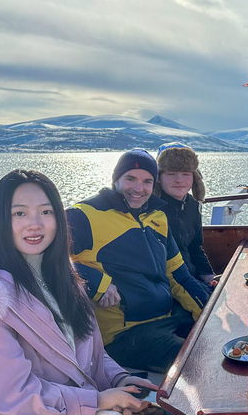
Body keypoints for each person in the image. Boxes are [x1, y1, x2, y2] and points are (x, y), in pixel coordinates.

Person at [0, 169, 157, 414]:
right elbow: (8, 399)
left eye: (46, 212)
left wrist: (119, 380)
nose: (35, 224)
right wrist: (97, 402)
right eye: (19, 213)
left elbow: (86, 357)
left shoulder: (63, 277)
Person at [68, 149, 210, 373]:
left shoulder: (157, 217)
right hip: (122, 336)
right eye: (130, 179)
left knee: (219, 340)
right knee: (199, 363)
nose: (138, 188)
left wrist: (209, 312)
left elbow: (178, 275)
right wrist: (95, 282)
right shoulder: (85, 215)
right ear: (116, 180)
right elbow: (40, 256)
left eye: (147, 181)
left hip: (164, 318)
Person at [154, 142, 215, 288]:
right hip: (166, 285)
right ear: (158, 178)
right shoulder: (151, 211)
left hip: (191, 279)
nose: (179, 180)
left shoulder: (192, 205)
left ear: (195, 178)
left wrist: (209, 276)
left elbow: (195, 247)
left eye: (186, 174)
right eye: (171, 174)